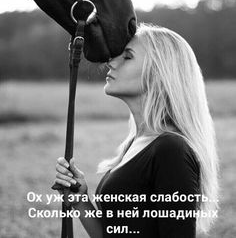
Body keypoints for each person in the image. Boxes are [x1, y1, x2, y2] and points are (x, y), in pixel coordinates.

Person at [54, 23, 219, 238]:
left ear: (159, 73)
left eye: (128, 57)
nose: (111, 62)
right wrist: (81, 199)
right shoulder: (138, 142)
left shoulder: (171, 150)